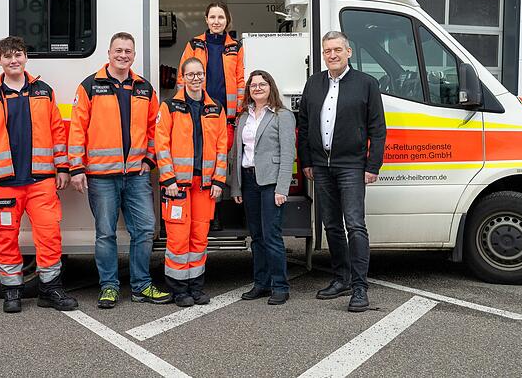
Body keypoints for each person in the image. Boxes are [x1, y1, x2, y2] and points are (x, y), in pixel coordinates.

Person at [0, 36, 78, 313]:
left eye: (18, 54)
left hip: (40, 180)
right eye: (7, 56)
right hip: (3, 183)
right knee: (5, 238)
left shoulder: (43, 91)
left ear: (25, 57)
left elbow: (57, 132)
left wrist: (63, 168)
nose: (13, 60)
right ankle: (11, 291)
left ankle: (50, 290)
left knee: (49, 236)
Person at [68, 32, 173, 309]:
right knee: (105, 233)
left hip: (136, 176)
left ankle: (141, 286)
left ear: (134, 56)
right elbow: (77, 130)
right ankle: (109, 287)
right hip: (101, 176)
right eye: (119, 50)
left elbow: (155, 130)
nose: (123, 55)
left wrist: (149, 161)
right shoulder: (90, 86)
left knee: (145, 229)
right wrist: (76, 167)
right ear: (109, 53)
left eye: (128, 51)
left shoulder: (144, 89)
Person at [297, 31, 386, 313]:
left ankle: (360, 288)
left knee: (355, 226)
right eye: (327, 51)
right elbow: (304, 125)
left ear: (348, 52)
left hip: (351, 166)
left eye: (337, 49)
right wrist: (307, 161)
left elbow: (378, 129)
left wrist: (373, 166)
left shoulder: (366, 84)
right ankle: (341, 279)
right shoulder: (314, 83)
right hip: (321, 166)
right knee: (332, 225)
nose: (332, 55)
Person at [155, 57, 228, 307]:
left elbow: (222, 147)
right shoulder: (169, 106)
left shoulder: (216, 108)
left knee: (199, 238)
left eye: (200, 74)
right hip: (178, 185)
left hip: (205, 186)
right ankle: (178, 290)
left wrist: (219, 180)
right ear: (182, 78)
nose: (195, 78)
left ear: (204, 77)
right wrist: (169, 179)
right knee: (177, 239)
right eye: (191, 74)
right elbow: (161, 145)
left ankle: (196, 287)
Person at [230, 70, 296, 305]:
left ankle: (280, 285)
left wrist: (282, 188)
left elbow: (288, 154)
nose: (257, 88)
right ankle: (261, 283)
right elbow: (237, 153)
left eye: (262, 84)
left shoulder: (282, 115)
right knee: (256, 237)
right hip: (249, 181)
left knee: (271, 235)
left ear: (271, 87)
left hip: (270, 183)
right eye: (253, 85)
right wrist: (236, 187)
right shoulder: (243, 117)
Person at [177, 2, 245, 149]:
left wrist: (239, 111)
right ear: (206, 19)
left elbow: (240, 81)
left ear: (227, 20)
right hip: (196, 110)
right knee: (198, 151)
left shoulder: (236, 47)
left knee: (222, 155)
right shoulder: (194, 44)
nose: (216, 21)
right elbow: (182, 78)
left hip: (226, 115)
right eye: (212, 17)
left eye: (220, 17)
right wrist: (182, 107)